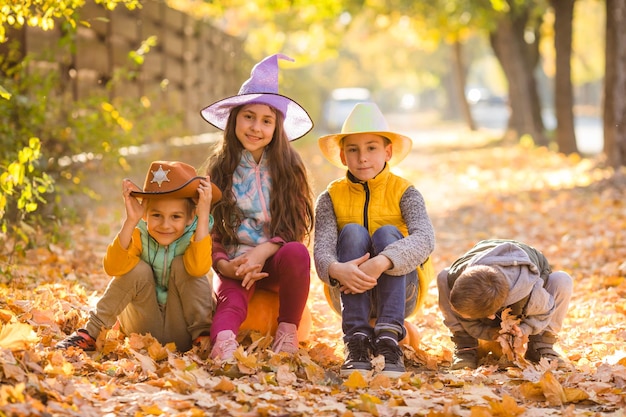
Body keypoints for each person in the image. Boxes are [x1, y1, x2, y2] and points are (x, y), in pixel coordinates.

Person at [199, 53, 314, 361]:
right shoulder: (220, 169)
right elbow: (208, 229)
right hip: (235, 263)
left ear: (277, 128)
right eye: (248, 116)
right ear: (234, 118)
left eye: (267, 121)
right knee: (231, 303)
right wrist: (224, 265)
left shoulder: (289, 168)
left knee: (297, 253)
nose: (255, 127)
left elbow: (294, 228)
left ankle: (288, 330)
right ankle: (223, 346)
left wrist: (263, 252)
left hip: (275, 262)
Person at [313, 102, 435, 378]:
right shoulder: (330, 198)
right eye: (353, 150)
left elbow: (425, 238)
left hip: (402, 294)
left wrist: (382, 261)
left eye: (371, 148)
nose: (362, 158)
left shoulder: (405, 192)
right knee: (353, 232)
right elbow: (321, 249)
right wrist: (335, 269)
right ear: (343, 156)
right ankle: (356, 339)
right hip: (347, 291)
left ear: (388, 152)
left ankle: (390, 338)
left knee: (386, 234)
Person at [56, 161, 221, 354]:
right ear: (145, 214)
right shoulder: (139, 236)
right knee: (137, 269)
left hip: (185, 330)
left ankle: (203, 338)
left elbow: (198, 269)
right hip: (143, 327)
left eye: (175, 217)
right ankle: (90, 334)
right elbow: (113, 268)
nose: (165, 225)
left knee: (183, 265)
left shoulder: (196, 237)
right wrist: (131, 221)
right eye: (157, 215)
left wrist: (202, 218)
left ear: (189, 218)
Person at [437, 239, 573, 370]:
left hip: (526, 287)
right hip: (487, 271)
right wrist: (488, 333)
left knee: (562, 280)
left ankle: (541, 346)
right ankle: (465, 347)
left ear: (490, 316)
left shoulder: (531, 296)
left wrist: (524, 329)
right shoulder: (459, 275)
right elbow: (461, 308)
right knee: (443, 276)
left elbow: (546, 311)